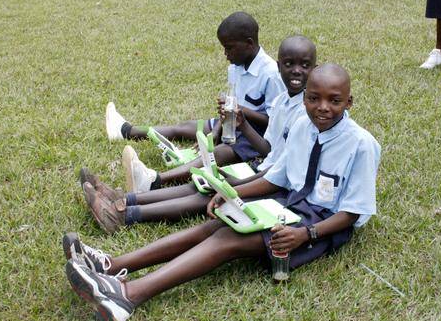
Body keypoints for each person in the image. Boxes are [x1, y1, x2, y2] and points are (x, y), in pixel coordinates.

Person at [63, 63, 381, 321]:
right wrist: (230, 193)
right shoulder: (302, 125)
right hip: (290, 204)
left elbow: (351, 213)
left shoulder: (361, 144)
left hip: (322, 225)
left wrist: (304, 234)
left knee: (227, 240)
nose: (322, 107)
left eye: (334, 101)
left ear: (349, 102)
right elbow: (278, 178)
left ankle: (126, 296)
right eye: (313, 98)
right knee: (212, 226)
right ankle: (111, 265)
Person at [80, 36, 317, 233]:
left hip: (274, 183)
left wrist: (241, 183)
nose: (296, 71)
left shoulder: (307, 114)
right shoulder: (284, 101)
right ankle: (124, 199)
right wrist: (242, 125)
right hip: (262, 169)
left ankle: (123, 215)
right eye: (289, 64)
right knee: (200, 183)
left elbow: (283, 174)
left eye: (304, 65)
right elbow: (270, 151)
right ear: (279, 66)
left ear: (313, 69)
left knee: (208, 194)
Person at [107, 11, 285, 192]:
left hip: (256, 135)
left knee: (214, 155)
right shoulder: (235, 66)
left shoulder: (271, 74)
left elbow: (276, 121)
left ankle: (154, 181)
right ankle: (126, 131)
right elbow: (230, 107)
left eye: (229, 48)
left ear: (249, 43)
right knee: (185, 127)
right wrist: (216, 131)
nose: (225, 54)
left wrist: (241, 112)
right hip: (233, 123)